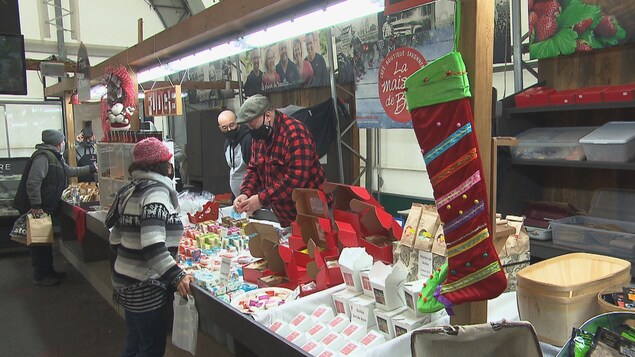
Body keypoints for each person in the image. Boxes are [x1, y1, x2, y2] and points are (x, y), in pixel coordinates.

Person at [108, 137, 194, 357]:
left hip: (125, 280)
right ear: (164, 165)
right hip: (144, 287)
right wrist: (176, 275)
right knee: (151, 348)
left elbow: (115, 238)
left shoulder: (130, 190)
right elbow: (153, 245)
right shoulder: (156, 193)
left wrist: (131, 256)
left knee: (134, 340)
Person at [13, 129, 97, 286]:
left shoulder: (55, 157)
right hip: (38, 207)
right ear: (59, 143)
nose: (64, 143)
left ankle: (48, 270)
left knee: (45, 240)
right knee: (39, 242)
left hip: (45, 206)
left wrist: (92, 168)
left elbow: (69, 171)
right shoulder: (43, 157)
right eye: (63, 141)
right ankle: (41, 275)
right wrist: (36, 205)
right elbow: (33, 182)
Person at [233, 95, 327, 227]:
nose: (252, 131)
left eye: (253, 126)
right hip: (285, 215)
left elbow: (295, 180)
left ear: (268, 116)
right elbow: (254, 169)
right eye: (249, 127)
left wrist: (261, 200)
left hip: (311, 212)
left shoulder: (295, 134)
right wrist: (245, 193)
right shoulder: (260, 137)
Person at [218, 110, 252, 198]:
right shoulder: (227, 144)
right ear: (220, 128)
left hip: (250, 196)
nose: (229, 130)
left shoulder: (248, 141)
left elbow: (255, 172)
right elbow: (233, 172)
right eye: (224, 128)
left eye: (232, 125)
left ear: (238, 121)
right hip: (237, 197)